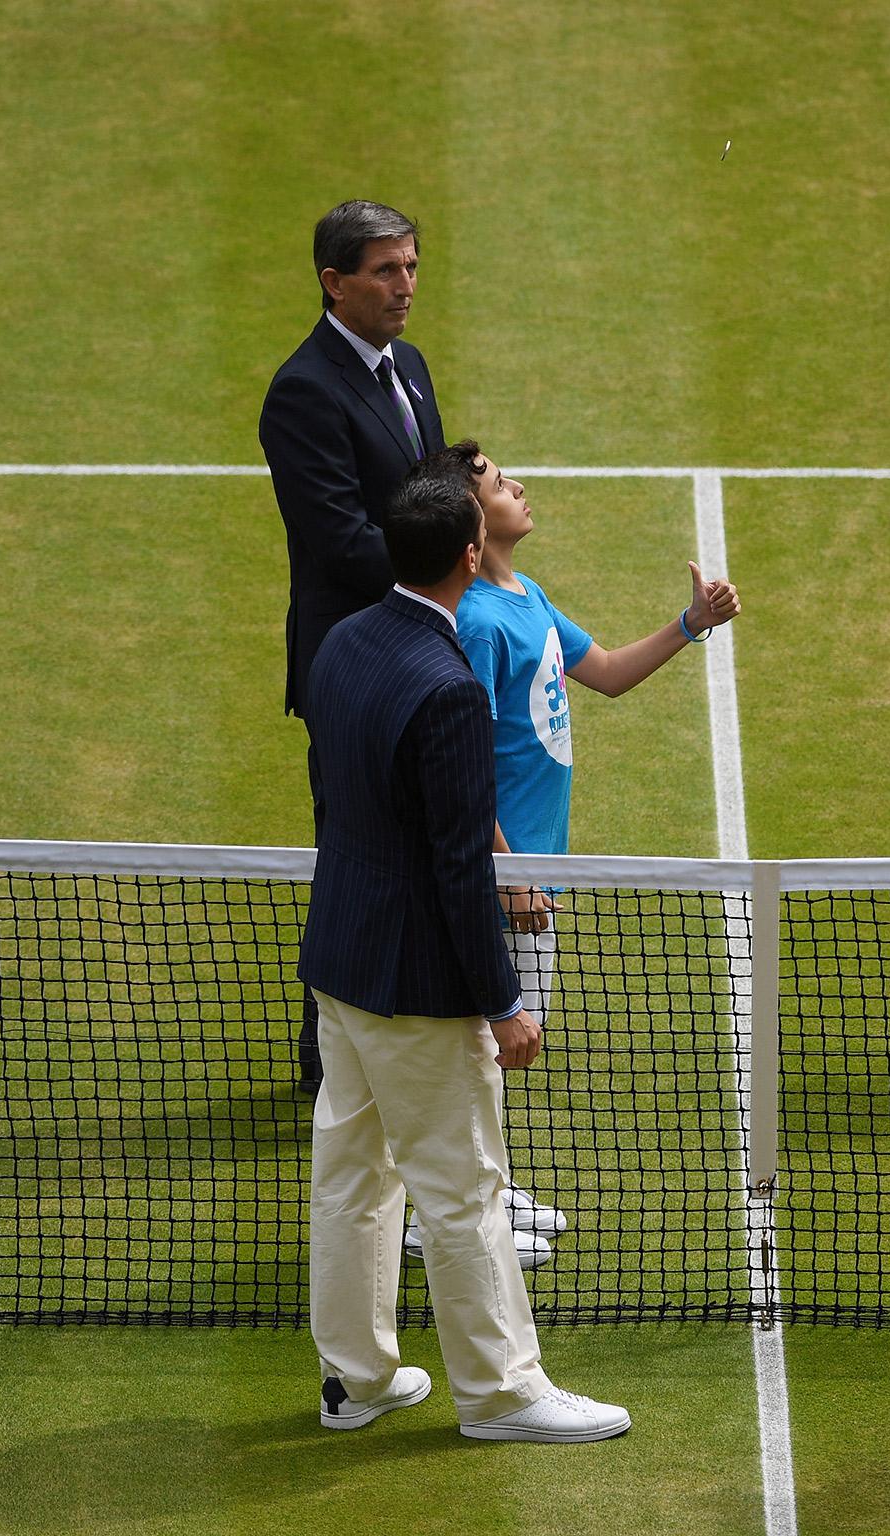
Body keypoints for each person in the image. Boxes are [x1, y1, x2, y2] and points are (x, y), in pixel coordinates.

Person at [300, 469, 628, 1444]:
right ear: (466, 557)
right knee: (463, 1186)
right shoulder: (446, 689)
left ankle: (356, 1379)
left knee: (353, 1177)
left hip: (340, 960)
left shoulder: (341, 643)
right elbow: (455, 869)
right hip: (415, 987)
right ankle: (499, 1394)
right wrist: (502, 1004)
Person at [394, 440, 743, 1262]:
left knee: (497, 1050)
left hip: (533, 870)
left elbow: (612, 672)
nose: (516, 484)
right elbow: (462, 764)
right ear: (471, 526)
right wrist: (509, 875)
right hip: (501, 874)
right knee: (478, 1047)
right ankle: (436, 1216)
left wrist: (692, 624)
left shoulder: (527, 595)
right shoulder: (478, 624)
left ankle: (486, 1186)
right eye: (495, 483)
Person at [261, 199, 445, 1091]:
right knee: (356, 857)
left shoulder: (407, 367)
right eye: (385, 271)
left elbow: (436, 491)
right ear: (334, 284)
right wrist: (453, 571)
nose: (405, 286)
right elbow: (338, 538)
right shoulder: (303, 391)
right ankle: (325, 1060)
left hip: (418, 645)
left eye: (411, 266)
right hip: (354, 669)